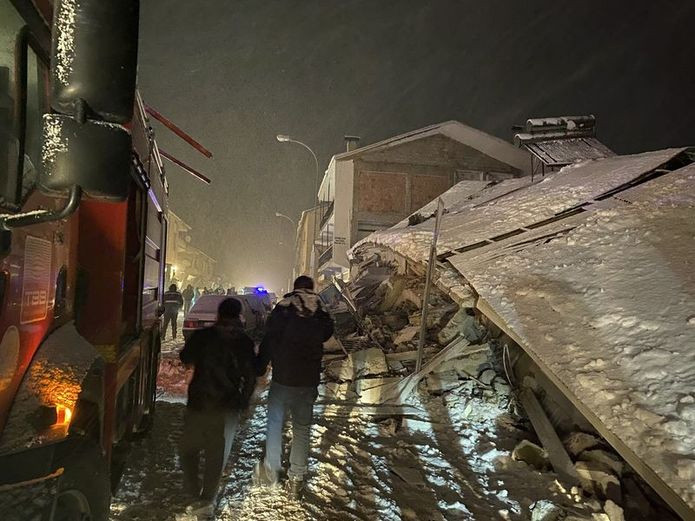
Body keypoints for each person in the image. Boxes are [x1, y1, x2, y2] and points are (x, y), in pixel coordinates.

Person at [254, 276, 334, 499]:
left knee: (275, 423)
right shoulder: (320, 307)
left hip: (283, 377)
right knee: (302, 428)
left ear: (295, 287)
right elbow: (327, 333)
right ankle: (296, 481)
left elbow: (269, 338)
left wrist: (260, 366)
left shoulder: (284, 306)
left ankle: (272, 470)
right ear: (311, 287)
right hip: (308, 380)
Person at [179, 298, 256, 512]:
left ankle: (193, 490)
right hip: (226, 403)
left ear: (218, 315)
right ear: (239, 315)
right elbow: (250, 375)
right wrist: (244, 400)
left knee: (188, 449)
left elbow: (186, 357)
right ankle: (208, 497)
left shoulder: (204, 336)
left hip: (200, 400)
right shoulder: (245, 342)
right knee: (215, 450)